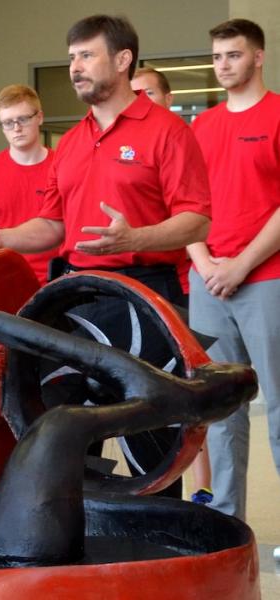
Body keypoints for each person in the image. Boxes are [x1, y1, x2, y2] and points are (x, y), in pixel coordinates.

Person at [0, 15, 211, 498]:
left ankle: (151, 553)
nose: (75, 67)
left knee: (150, 439)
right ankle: (82, 533)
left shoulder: (169, 132)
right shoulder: (69, 144)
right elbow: (53, 226)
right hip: (78, 296)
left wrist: (133, 238)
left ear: (123, 59)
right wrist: (1, 237)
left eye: (86, 55)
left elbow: (196, 219)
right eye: (71, 57)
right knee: (60, 418)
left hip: (148, 297)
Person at [187, 18, 280, 522]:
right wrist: (205, 265)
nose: (224, 65)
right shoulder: (202, 126)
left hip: (267, 279)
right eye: (218, 56)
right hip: (209, 282)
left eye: (234, 55)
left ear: (258, 57)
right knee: (220, 410)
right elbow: (187, 204)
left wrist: (240, 265)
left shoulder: (279, 115)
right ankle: (226, 521)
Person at [131, 67, 212, 505]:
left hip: (179, 289)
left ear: (166, 96)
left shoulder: (174, 139)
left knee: (184, 402)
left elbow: (196, 218)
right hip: (153, 287)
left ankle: (200, 491)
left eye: (148, 93)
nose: (140, 99)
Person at [0, 85, 57, 286]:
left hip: (57, 280)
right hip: (4, 281)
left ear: (39, 117)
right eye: (7, 123)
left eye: (23, 119)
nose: (16, 128)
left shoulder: (63, 166)